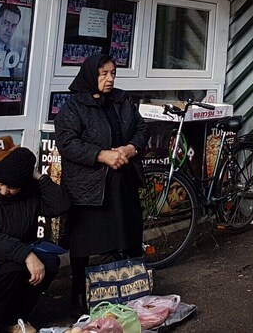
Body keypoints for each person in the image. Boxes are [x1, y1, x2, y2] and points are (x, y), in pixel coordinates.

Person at [54, 54, 149, 315]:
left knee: (128, 235)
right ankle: (79, 296)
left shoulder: (122, 100)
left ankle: (130, 290)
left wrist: (130, 148)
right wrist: (101, 155)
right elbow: (67, 142)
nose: (109, 79)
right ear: (90, 75)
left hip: (121, 182)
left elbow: (141, 129)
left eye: (113, 74)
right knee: (84, 243)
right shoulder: (74, 107)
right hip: (88, 186)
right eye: (103, 74)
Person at [0, 148, 70, 333]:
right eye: (1, 184)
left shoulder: (29, 195)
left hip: (15, 254)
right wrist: (27, 255)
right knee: (15, 270)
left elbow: (60, 205)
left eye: (12, 187)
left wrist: (39, 177)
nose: (4, 190)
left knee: (50, 262)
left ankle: (15, 320)